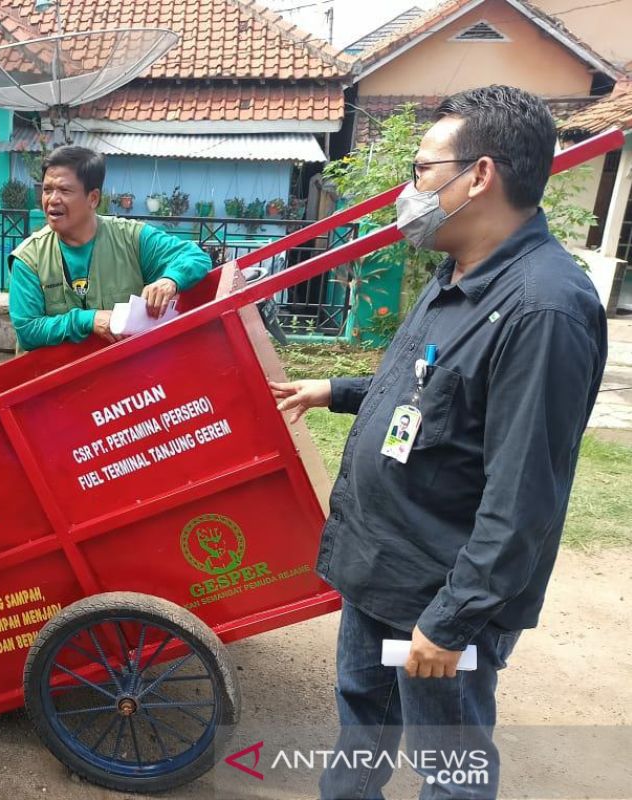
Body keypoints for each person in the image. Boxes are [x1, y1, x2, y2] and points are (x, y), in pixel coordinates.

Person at [271, 85, 607, 798]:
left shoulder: (543, 309)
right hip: (381, 566)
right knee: (363, 721)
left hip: (438, 595)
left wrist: (450, 625)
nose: (409, 190)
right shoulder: (457, 272)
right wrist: (338, 390)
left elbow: (523, 500)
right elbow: (429, 386)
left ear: (479, 175)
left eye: (421, 170)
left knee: (448, 765)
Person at [8, 146, 211, 350]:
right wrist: (87, 320)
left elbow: (194, 256)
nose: (52, 200)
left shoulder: (131, 238)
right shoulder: (29, 258)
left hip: (121, 374)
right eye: (47, 190)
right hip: (54, 378)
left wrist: (170, 280)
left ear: (93, 198)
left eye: (64, 190)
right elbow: (28, 330)